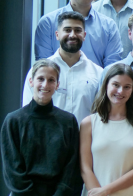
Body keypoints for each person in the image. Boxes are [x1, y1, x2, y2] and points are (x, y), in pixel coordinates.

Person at [2, 59, 81, 195]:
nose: (45, 84)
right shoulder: (13, 120)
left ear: (57, 85)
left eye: (51, 80)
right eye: (40, 79)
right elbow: (12, 170)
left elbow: (72, 166)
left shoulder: (68, 122)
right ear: (31, 82)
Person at [80, 63, 133, 195]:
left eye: (126, 87)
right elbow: (85, 168)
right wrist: (99, 193)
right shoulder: (89, 123)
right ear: (106, 84)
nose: (120, 91)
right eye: (116, 85)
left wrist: (106, 191)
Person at [35, 0, 122, 67]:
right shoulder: (48, 22)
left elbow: (112, 68)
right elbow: (43, 66)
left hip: (96, 83)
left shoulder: (109, 26)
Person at [23, 11, 103, 124]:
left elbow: (101, 115)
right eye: (67, 30)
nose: (72, 35)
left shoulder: (98, 74)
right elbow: (27, 113)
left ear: (84, 35)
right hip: (46, 139)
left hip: (84, 140)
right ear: (57, 35)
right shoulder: (38, 72)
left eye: (78, 30)